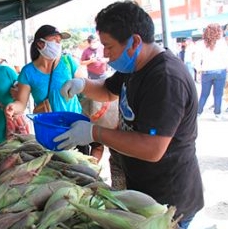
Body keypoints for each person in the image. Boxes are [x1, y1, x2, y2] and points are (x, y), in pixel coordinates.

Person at [56, 2, 204, 228]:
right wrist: (82, 85)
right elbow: (107, 90)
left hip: (169, 200)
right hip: (143, 188)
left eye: (109, 46)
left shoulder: (165, 78)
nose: (105, 54)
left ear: (134, 42)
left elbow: (152, 148)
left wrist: (94, 132)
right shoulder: (134, 67)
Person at [4, 24, 88, 154]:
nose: (58, 44)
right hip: (50, 130)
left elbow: (85, 86)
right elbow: (21, 103)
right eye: (54, 40)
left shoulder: (67, 62)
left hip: (75, 124)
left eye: (59, 41)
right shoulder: (28, 72)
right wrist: (12, 107)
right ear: (40, 44)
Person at [195, 23, 228, 121]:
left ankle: (198, 113)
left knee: (204, 94)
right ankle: (217, 114)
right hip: (220, 71)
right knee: (218, 94)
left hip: (206, 72)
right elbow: (226, 58)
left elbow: (197, 60)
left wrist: (199, 71)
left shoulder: (201, 44)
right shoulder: (222, 43)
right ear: (218, 31)